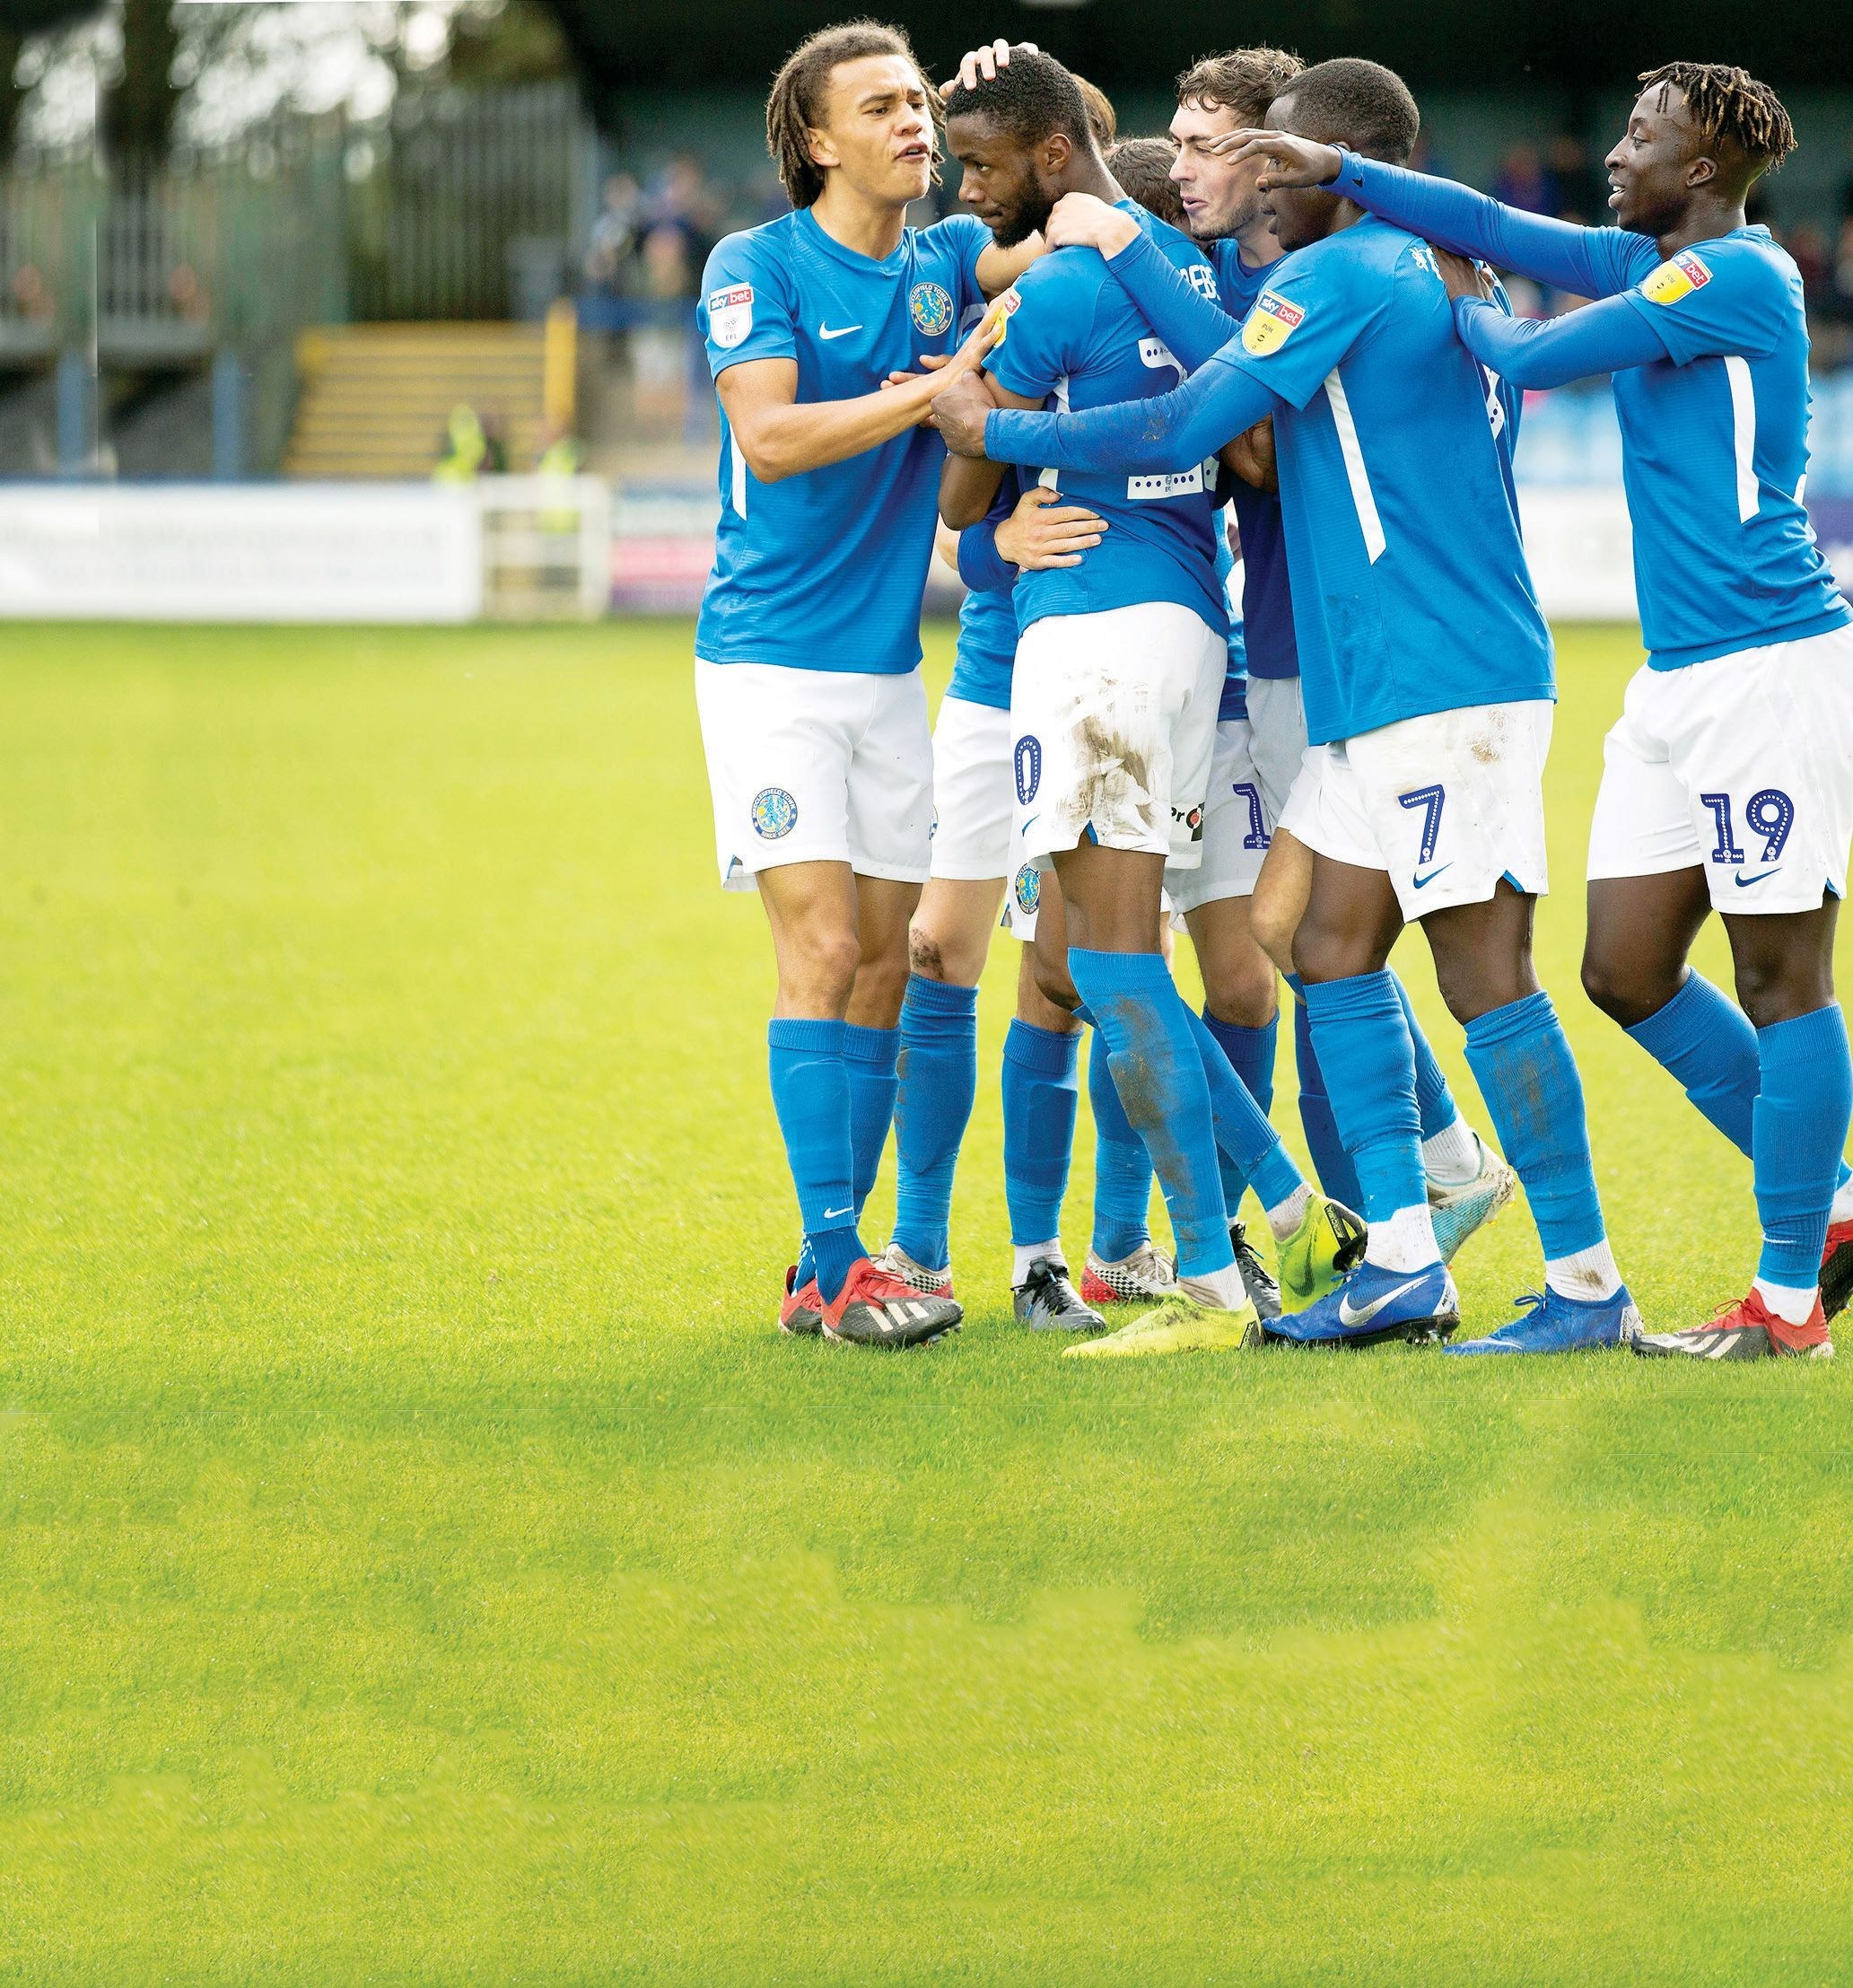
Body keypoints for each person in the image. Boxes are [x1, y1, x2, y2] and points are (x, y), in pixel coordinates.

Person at [934, 57, 1640, 1354]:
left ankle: (1588, 1283)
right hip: (1378, 680)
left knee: (1483, 972)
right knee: (1311, 941)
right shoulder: (1439, 266)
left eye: (1272, 161)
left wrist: (999, 435)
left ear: (1334, 170)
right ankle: (1404, 1260)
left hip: (1437, 675)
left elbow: (1191, 423)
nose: (1254, 185)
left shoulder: (1336, 274)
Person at [1245, 63, 1853, 1359]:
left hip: (1770, 667)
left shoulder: (1732, 276)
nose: (1614, 153)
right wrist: (1347, 175)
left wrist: (1450, 298)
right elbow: (1494, 224)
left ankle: (1788, 1302)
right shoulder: (1650, 264)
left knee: (1779, 974)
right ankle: (1838, 1197)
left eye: (1641, 136)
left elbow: (1523, 350)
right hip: (1674, 678)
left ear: (1701, 170)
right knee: (1623, 970)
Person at [1044, 46, 1517, 1275]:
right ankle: (1407, 1211)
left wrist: (1117, 255)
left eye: (1209, 146)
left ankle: (1458, 1219)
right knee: (1294, 939)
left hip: (1352, 655)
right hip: (1297, 656)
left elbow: (1240, 441)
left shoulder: (1329, 278)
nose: (1183, 169)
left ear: (1283, 161)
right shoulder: (1328, 267)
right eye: (1177, 144)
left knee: (1347, 949)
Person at [934, 46, 1363, 1358]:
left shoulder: (1060, 289)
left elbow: (960, 486)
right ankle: (1238, 1227)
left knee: (1107, 967)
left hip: (1090, 644)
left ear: (1059, 166)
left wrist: (974, 412)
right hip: (1191, 643)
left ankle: (1237, 1250)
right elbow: (1243, 446)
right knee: (1127, 962)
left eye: (983, 167)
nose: (971, 190)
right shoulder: (1211, 287)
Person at [691, 21, 1028, 1349]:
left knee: (886, 965)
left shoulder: (945, 258)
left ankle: (824, 1265)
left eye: (919, 102)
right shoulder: (756, 262)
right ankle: (838, 1270)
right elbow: (770, 437)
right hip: (768, 667)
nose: (913, 124)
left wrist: (1019, 90)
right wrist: (940, 392)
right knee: (823, 952)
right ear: (815, 140)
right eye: (880, 106)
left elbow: (1074, 218)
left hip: (888, 675)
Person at [884, 95, 1189, 1332]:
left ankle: (1093, 1248)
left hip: (1117, 669)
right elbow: (958, 504)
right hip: (994, 671)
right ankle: (918, 1245)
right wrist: (994, 543)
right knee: (936, 950)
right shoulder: (1022, 306)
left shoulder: (1188, 313)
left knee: (1077, 974)